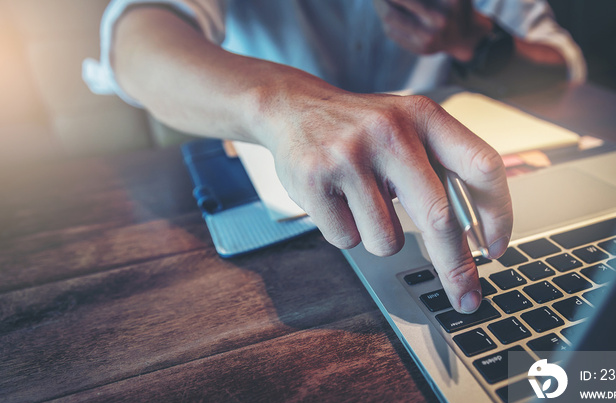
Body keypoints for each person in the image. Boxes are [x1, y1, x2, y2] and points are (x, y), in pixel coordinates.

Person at [83, 0, 585, 314]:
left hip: (452, 197)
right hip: (293, 226)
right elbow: (135, 40)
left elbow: (560, 69)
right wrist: (280, 104)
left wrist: (476, 38)